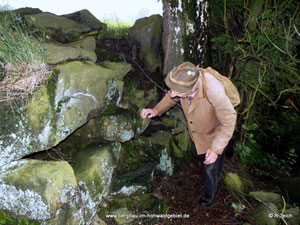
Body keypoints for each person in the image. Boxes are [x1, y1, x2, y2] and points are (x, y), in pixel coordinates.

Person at [140, 62, 237, 206]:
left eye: (176, 92)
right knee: (197, 153)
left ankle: (208, 198)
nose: (172, 94)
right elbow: (170, 97)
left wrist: (216, 148)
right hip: (199, 127)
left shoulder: (214, 91)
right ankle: (228, 143)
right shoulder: (184, 80)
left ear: (192, 89)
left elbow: (228, 121)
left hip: (215, 129)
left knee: (211, 167)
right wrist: (156, 110)